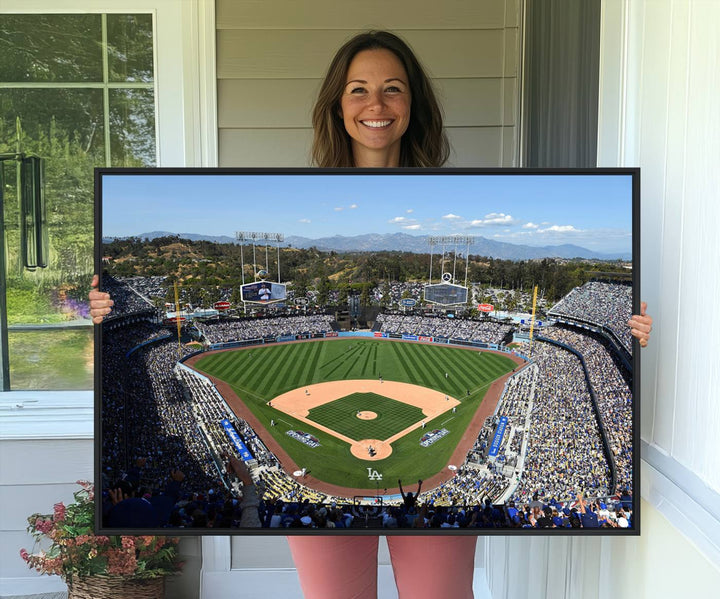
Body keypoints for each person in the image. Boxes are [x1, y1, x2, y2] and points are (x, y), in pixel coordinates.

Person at [89, 29, 654, 599]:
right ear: (338, 104)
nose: (376, 105)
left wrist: (625, 333)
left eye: (393, 89)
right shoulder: (299, 191)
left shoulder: (457, 193)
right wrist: (101, 312)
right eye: (358, 89)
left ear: (414, 105)